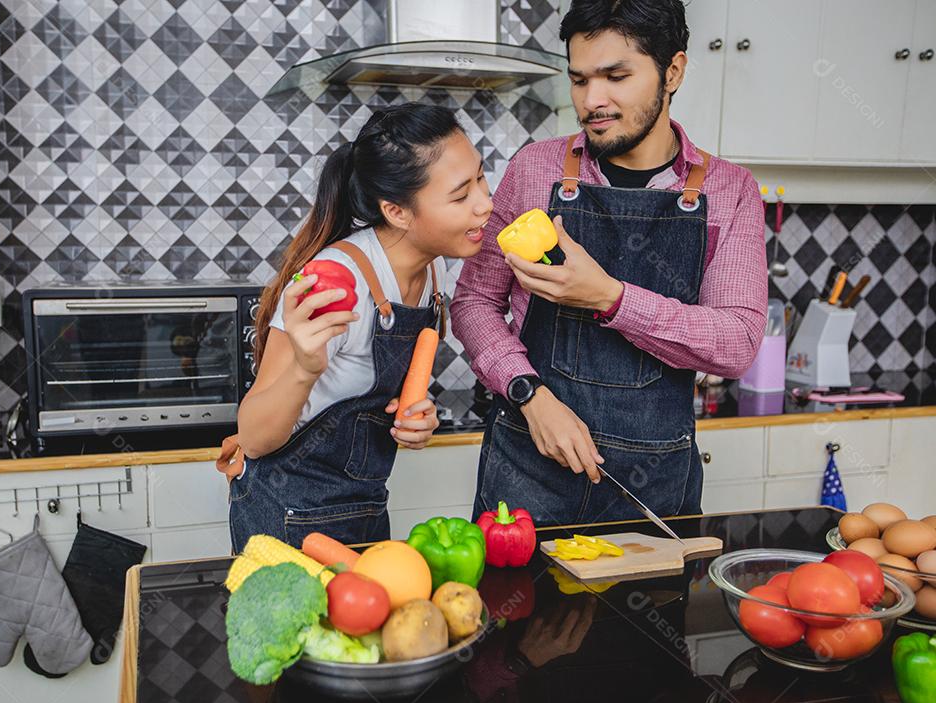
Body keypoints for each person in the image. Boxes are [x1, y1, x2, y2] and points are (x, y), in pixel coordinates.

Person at [450, 0, 767, 528]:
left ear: (674, 71)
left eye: (616, 76)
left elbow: (736, 342)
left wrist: (609, 297)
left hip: (655, 486)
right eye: (579, 80)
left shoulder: (728, 191)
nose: (592, 100)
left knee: (652, 613)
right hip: (528, 472)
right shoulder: (535, 170)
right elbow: (474, 301)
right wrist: (529, 394)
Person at [224, 102, 493, 553]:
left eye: (481, 178)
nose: (486, 204)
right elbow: (252, 437)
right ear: (397, 212)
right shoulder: (336, 281)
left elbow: (380, 391)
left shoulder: (432, 273)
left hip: (364, 506)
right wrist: (304, 369)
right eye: (461, 195)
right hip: (288, 513)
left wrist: (414, 417)